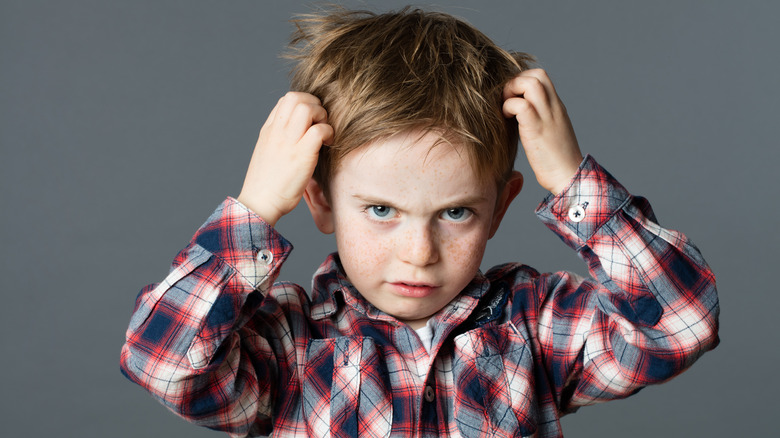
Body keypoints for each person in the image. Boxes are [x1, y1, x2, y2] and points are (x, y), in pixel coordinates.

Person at [120, 6, 719, 437]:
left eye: (455, 212)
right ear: (321, 201)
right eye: (381, 211)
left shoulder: (535, 327)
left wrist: (572, 182)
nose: (419, 251)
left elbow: (680, 323)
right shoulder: (289, 345)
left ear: (500, 207)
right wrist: (253, 212)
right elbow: (164, 364)